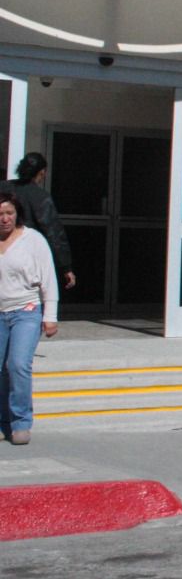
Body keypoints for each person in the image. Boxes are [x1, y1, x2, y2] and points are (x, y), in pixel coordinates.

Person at [0, 189, 61, 445]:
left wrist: (50, 315)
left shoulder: (33, 240)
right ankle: (3, 422)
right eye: (0, 214)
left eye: (9, 213)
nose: (5, 218)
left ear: (17, 214)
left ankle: (21, 422)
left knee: (17, 364)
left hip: (26, 311)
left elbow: (48, 278)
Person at [7, 152, 75, 291]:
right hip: (26, 260)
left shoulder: (3, 188)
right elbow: (54, 232)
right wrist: (66, 267)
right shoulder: (40, 196)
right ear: (41, 172)